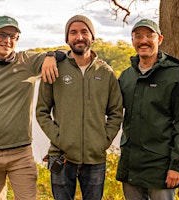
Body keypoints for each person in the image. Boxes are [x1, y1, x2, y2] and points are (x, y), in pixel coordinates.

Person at [0, 15, 64, 200]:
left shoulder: (28, 62)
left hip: (21, 154)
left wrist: (50, 56)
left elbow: (64, 53)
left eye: (13, 36)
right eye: (2, 34)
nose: (7, 40)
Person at [36, 15, 124, 200]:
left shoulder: (106, 73)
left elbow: (116, 113)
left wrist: (104, 140)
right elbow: (42, 112)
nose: (79, 37)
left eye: (84, 32)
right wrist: (60, 138)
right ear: (67, 39)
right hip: (61, 156)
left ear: (92, 37)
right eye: (73, 32)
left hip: (95, 159)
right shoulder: (54, 69)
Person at [115, 18, 179, 200]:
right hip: (131, 167)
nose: (143, 41)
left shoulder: (175, 73)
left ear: (159, 39)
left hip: (161, 168)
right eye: (138, 36)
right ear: (133, 41)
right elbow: (108, 110)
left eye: (149, 35)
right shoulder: (127, 76)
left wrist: (176, 165)